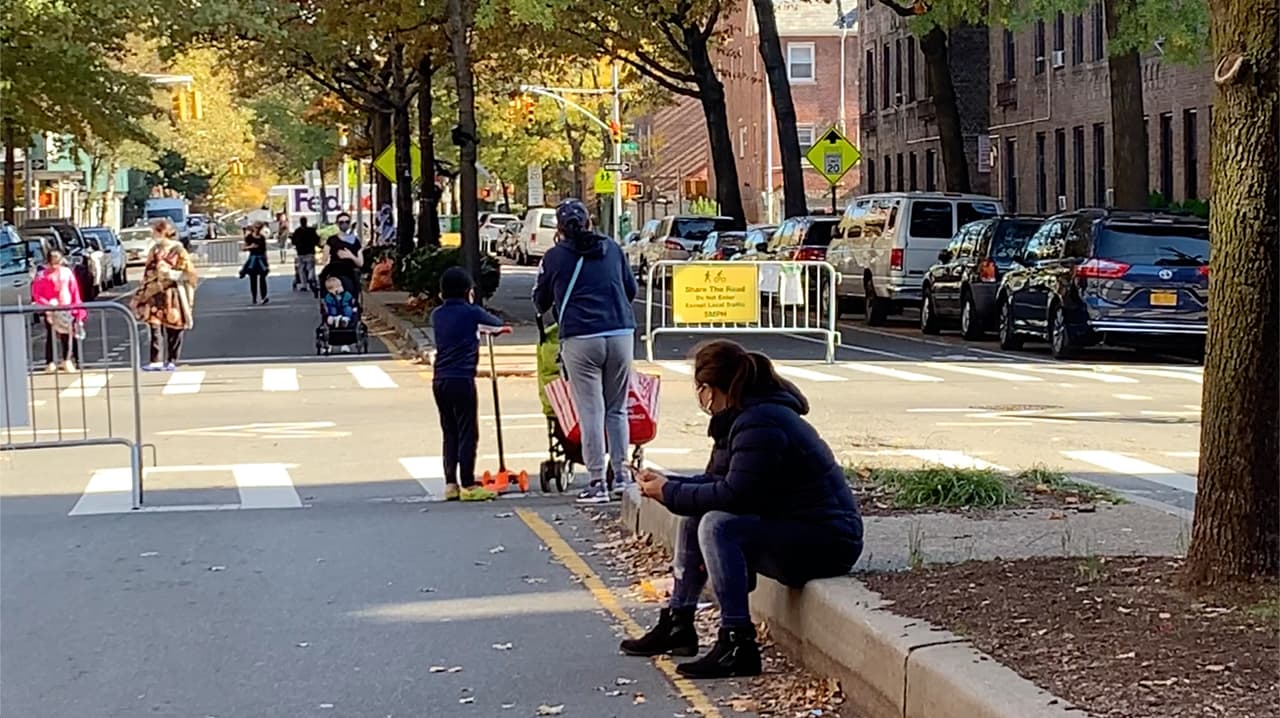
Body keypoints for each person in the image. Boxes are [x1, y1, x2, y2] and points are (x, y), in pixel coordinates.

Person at [622, 340, 864, 679]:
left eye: (700, 388)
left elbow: (736, 495)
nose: (700, 398)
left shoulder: (761, 422)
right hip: (796, 527)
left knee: (719, 526)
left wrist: (670, 491)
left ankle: (738, 643)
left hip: (828, 539)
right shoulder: (741, 417)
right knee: (697, 519)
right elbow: (715, 483)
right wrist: (668, 484)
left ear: (711, 388)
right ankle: (679, 622)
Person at [531, 198, 638, 504]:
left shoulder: (554, 257)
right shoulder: (613, 249)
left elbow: (541, 301)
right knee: (617, 409)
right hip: (620, 332)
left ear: (560, 229)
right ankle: (621, 476)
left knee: (592, 410)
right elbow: (630, 290)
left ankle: (595, 481)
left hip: (580, 336)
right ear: (590, 222)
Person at [430, 267, 504, 502]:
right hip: (462, 378)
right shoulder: (472, 312)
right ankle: (469, 484)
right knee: (468, 431)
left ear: (442, 294)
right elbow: (495, 323)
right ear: (468, 292)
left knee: (449, 431)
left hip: (440, 379)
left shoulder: (437, 315)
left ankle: (450, 483)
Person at [132, 219, 198, 371]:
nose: (153, 235)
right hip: (155, 293)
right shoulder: (154, 249)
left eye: (155, 231)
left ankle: (172, 359)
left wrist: (170, 273)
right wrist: (143, 291)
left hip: (173, 293)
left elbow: (190, 274)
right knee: (154, 326)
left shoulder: (179, 250)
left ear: (163, 232)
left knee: (174, 326)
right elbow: (148, 270)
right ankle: (156, 360)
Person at [30, 249, 84, 372]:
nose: (55, 266)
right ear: (47, 263)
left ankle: (67, 359)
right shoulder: (42, 275)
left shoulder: (67, 273)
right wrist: (46, 304)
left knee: (67, 335)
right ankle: (50, 362)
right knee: (51, 335)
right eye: (52, 263)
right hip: (51, 310)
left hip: (66, 307)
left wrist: (77, 308)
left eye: (57, 263)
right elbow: (37, 293)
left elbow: (74, 290)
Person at [321, 212, 364, 299]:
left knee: (352, 293)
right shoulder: (332, 240)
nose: (344, 224)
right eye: (341, 222)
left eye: (347, 222)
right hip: (334, 271)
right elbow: (324, 258)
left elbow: (360, 263)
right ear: (337, 224)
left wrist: (351, 256)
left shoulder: (355, 241)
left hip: (350, 272)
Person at [240, 222, 270, 304]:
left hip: (261, 259)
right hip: (253, 259)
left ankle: (263, 297)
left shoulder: (262, 238)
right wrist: (250, 247)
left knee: (262, 278)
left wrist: (266, 263)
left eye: (259, 228)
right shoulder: (249, 237)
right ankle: (254, 297)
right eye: (256, 227)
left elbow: (264, 251)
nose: (257, 229)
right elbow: (243, 248)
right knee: (253, 279)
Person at [291, 217, 321, 294]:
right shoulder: (311, 231)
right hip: (310, 251)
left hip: (300, 252)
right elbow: (317, 239)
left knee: (301, 269)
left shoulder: (297, 231)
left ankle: (304, 285)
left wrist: (298, 245)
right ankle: (311, 278)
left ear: (300, 222)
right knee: (310, 267)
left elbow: (293, 241)